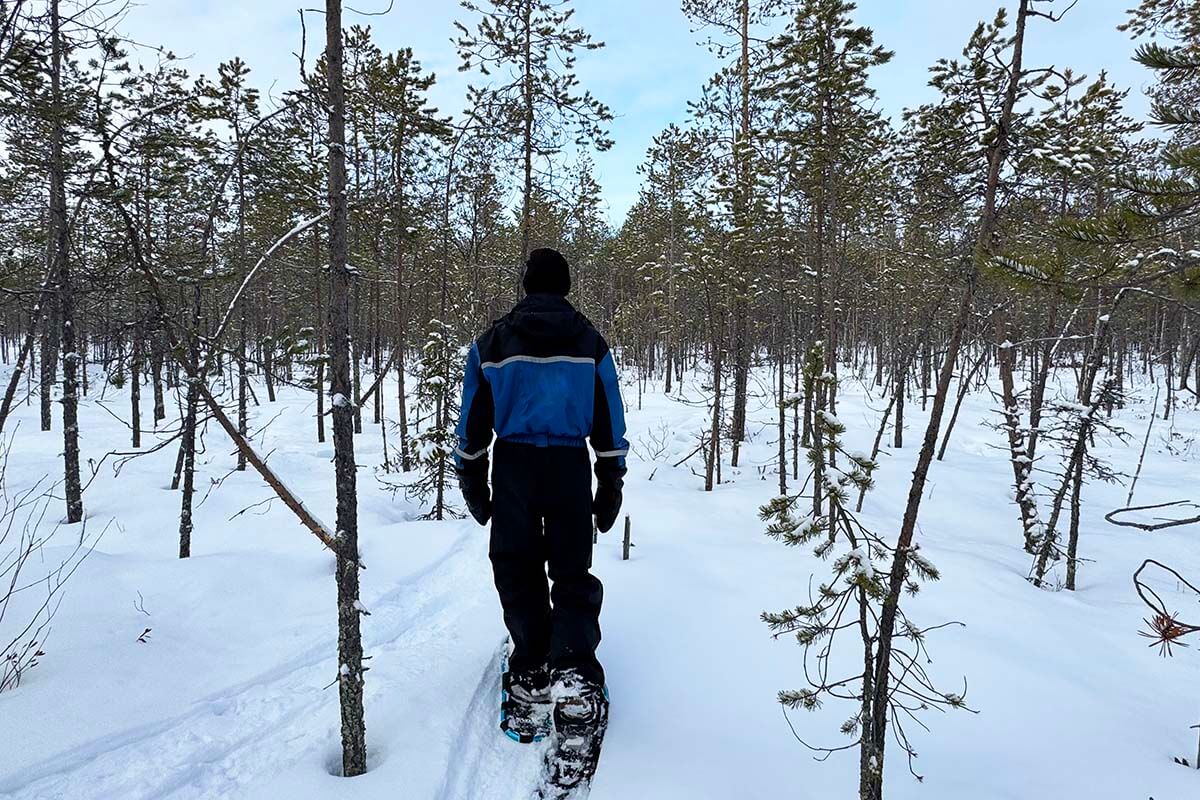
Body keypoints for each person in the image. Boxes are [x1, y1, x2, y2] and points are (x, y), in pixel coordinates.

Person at [454, 247, 627, 743]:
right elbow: (609, 414)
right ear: (565, 286)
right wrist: (610, 477)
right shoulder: (589, 341)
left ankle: (531, 671)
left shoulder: (492, 342)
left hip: (514, 468)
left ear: (527, 286)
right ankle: (572, 672)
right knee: (571, 568)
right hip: (568, 467)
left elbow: (472, 420)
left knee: (516, 564)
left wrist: (472, 475)